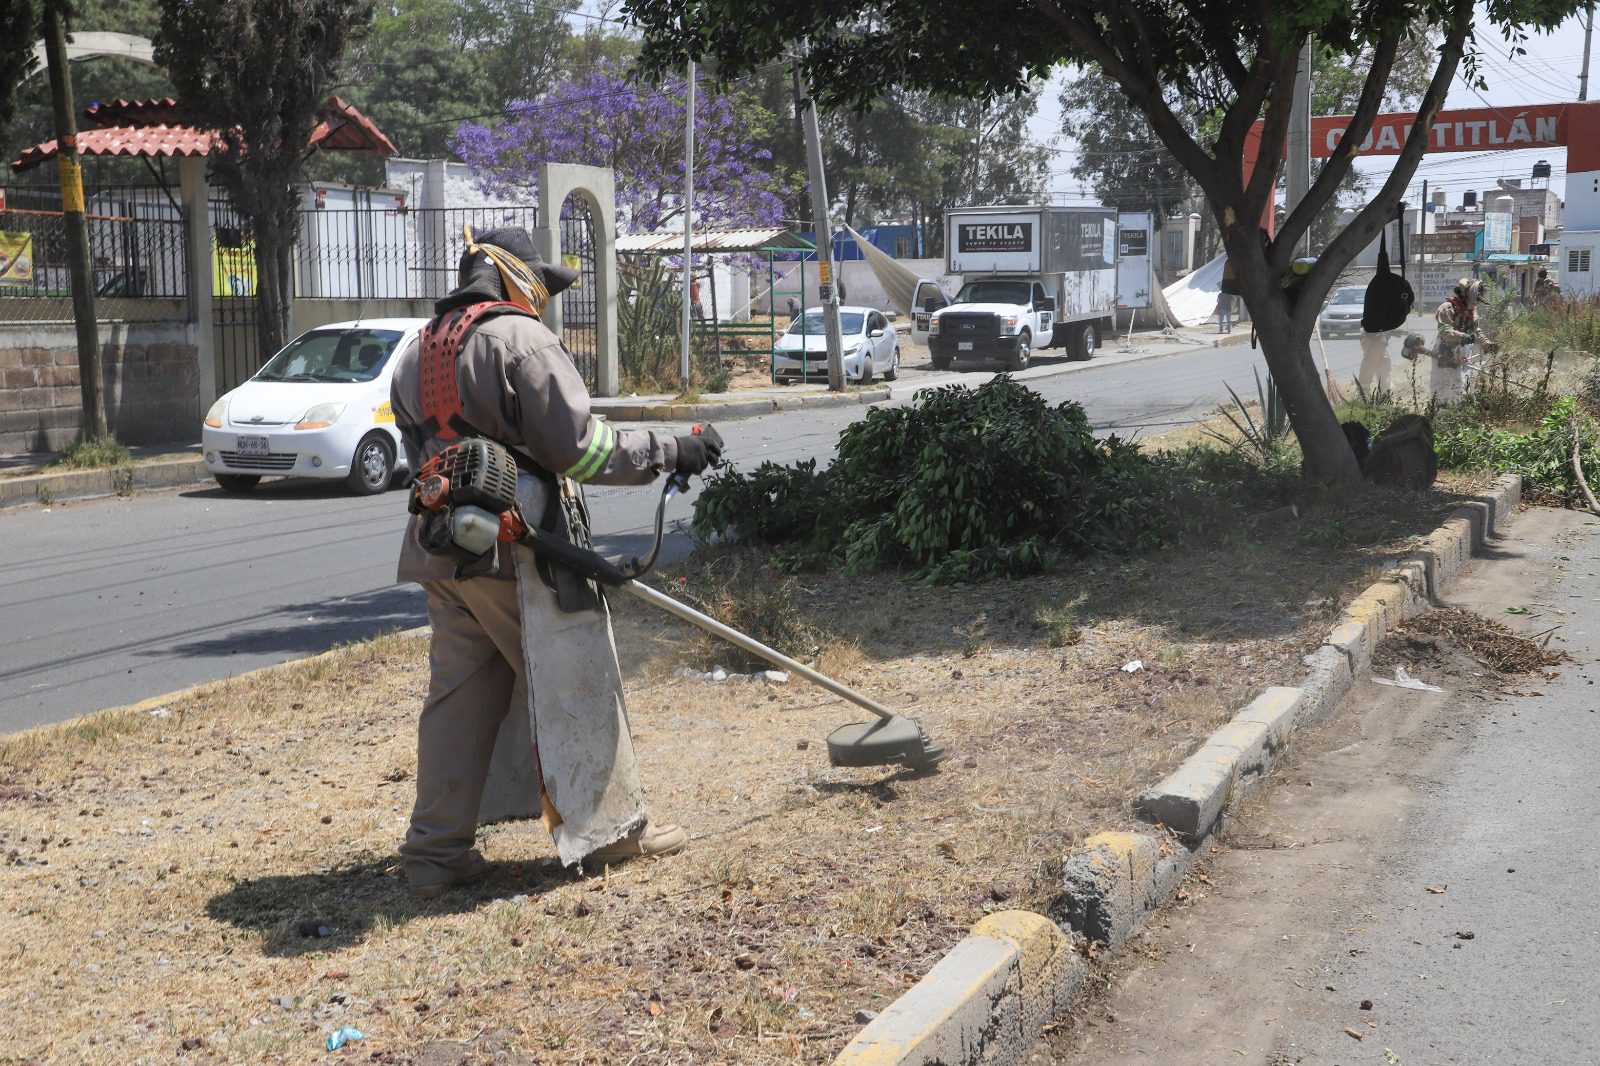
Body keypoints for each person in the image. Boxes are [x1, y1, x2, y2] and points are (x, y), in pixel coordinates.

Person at [389, 225, 725, 898]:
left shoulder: (415, 350)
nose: (543, 300)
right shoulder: (520, 340)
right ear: (515, 278)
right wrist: (673, 449)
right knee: (580, 676)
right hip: (520, 549)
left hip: (443, 549)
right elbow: (582, 450)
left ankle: (434, 853)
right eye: (539, 285)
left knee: (459, 697)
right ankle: (613, 833)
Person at [1432, 277, 1479, 404]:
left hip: (1464, 351)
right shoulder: (1447, 308)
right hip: (1446, 349)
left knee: (1464, 384)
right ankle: (1441, 413)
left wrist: (1487, 343)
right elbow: (1445, 331)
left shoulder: (1472, 311)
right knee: (1446, 387)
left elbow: (1476, 331)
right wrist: (1464, 336)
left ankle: (1459, 412)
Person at [1356, 330, 1391, 396]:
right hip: (1372, 337)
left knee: (1383, 362)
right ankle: (1363, 393)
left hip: (1378, 338)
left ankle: (1384, 390)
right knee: (1370, 363)